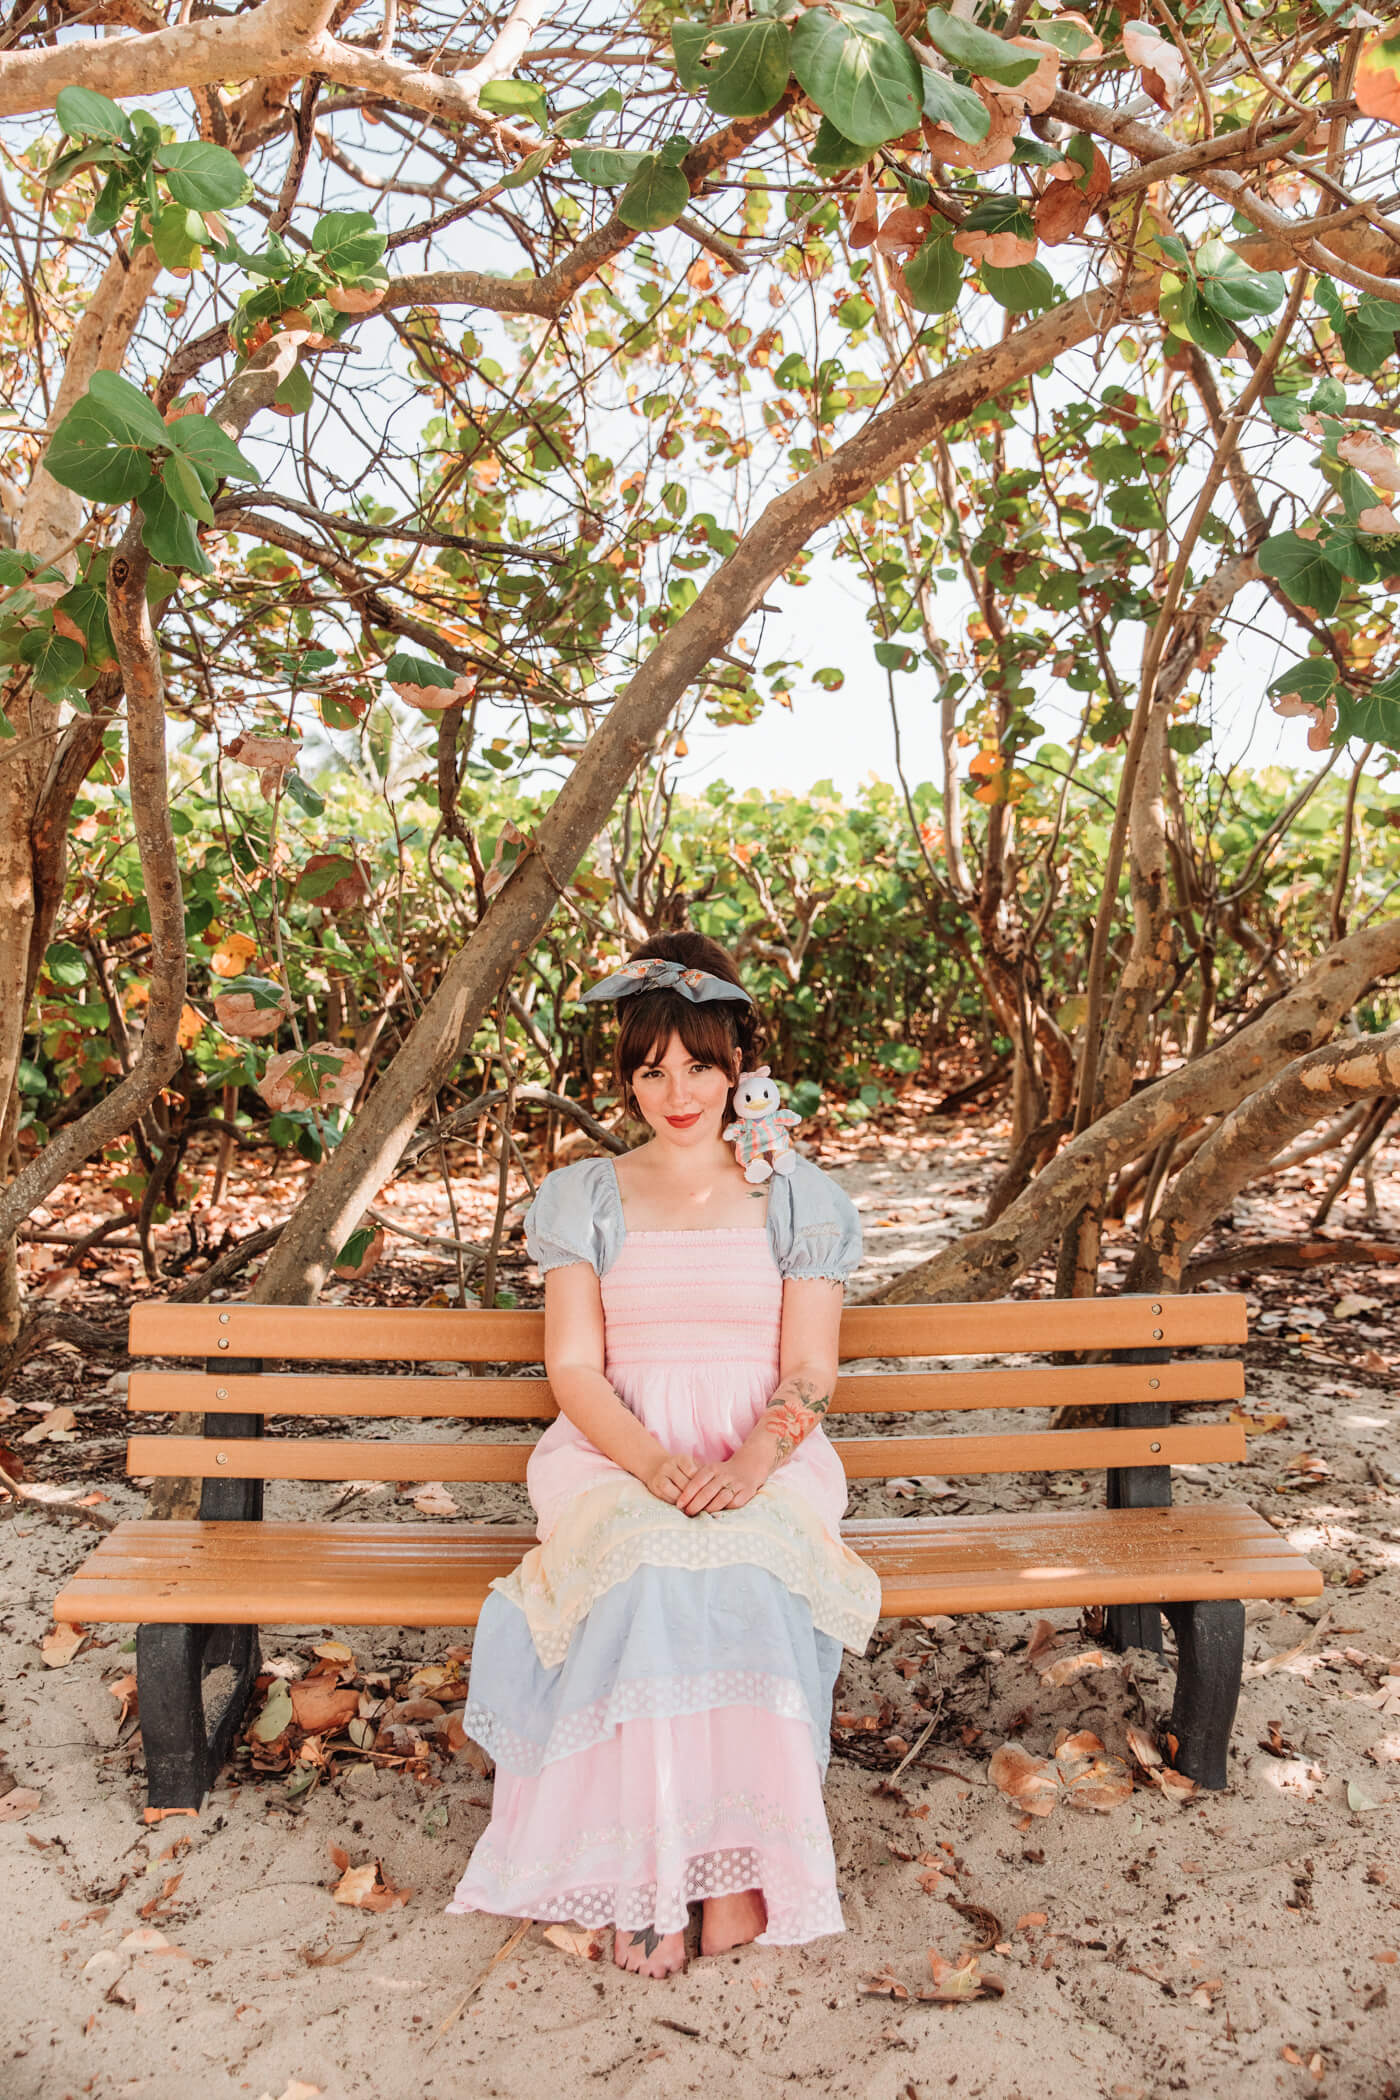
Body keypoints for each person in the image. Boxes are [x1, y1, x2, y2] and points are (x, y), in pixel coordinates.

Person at [446, 931, 880, 1976]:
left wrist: (750, 1464)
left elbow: (810, 1372)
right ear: (626, 1076)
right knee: (642, 1572)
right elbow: (575, 1372)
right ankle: (643, 1873)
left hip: (761, 1451)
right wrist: (650, 1467)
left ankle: (728, 1868)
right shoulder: (585, 1196)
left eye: (698, 1065)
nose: (675, 1091)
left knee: (739, 1566)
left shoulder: (794, 1196)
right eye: (650, 1069)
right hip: (614, 1450)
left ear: (739, 1065)